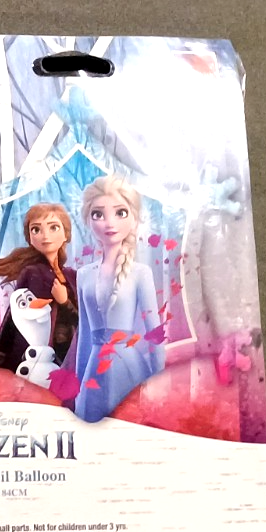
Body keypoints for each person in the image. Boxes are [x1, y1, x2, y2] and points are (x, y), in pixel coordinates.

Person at [74, 175, 165, 422]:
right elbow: (84, 334)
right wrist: (78, 384)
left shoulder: (140, 273)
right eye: (98, 214)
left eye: (120, 213)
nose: (109, 223)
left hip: (130, 367)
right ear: (88, 219)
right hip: (95, 370)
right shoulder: (84, 275)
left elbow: (154, 333)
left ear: (134, 219)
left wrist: (159, 381)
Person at [0, 202, 78, 381]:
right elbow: (13, 318)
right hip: (37, 357)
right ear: (30, 238)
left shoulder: (72, 276)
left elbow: (82, 321)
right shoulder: (33, 273)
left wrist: (65, 302)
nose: (45, 235)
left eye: (54, 228)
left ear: (66, 234)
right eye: (36, 229)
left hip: (69, 356)